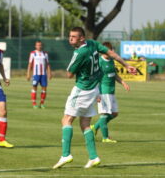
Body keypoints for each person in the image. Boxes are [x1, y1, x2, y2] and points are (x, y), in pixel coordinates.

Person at [53, 27, 136, 169]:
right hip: (94, 89)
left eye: (74, 36)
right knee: (85, 123)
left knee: (66, 120)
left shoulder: (79, 52)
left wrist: (79, 67)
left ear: (81, 38)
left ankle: (66, 154)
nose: (70, 38)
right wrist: (127, 65)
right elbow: (111, 53)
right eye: (70, 36)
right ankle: (93, 157)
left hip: (82, 89)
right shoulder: (92, 43)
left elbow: (69, 74)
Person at [91, 42, 130, 143]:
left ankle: (95, 127)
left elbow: (114, 74)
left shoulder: (112, 60)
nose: (110, 52)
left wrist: (123, 82)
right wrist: (97, 93)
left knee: (115, 113)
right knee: (104, 114)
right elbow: (95, 78)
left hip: (111, 91)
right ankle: (105, 137)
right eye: (108, 51)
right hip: (103, 91)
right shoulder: (99, 62)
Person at [26, 41, 52, 109]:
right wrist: (28, 74)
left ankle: (42, 103)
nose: (39, 46)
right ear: (35, 46)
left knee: (44, 88)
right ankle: (34, 103)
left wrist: (49, 73)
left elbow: (48, 64)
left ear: (42, 46)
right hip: (36, 74)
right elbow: (30, 64)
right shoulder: (33, 53)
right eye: (37, 45)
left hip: (43, 74)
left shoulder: (45, 54)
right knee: (34, 87)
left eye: (40, 45)